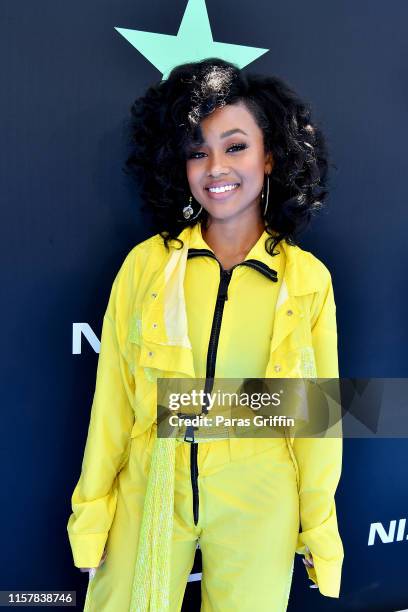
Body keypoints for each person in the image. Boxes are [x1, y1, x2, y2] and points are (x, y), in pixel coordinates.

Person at [67, 58, 344, 611]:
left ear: (269, 154)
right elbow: (113, 405)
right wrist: (92, 511)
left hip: (258, 493)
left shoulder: (307, 281)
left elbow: (316, 420)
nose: (216, 166)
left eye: (235, 146)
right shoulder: (147, 266)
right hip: (151, 486)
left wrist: (319, 531)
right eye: (198, 151)